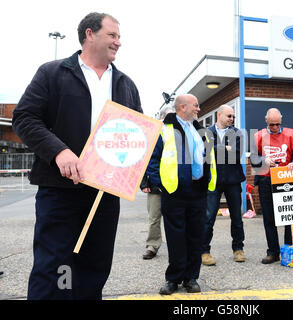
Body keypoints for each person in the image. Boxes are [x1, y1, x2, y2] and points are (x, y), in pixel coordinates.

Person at [12, 12, 142, 300]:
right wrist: (58, 150)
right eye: (112, 35)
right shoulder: (53, 73)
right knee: (55, 267)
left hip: (105, 194)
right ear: (89, 34)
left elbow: (137, 136)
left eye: (119, 37)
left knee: (94, 267)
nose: (118, 42)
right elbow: (25, 118)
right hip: (61, 191)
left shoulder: (125, 84)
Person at [146, 94, 217, 295]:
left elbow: (210, 158)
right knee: (176, 238)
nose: (199, 109)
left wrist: (209, 183)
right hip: (174, 192)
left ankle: (191, 278)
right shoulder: (164, 130)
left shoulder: (201, 130)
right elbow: (153, 160)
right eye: (195, 105)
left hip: (198, 192)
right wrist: (162, 185)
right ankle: (173, 278)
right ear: (182, 107)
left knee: (196, 236)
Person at [250, 108, 293, 264]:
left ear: (281, 120)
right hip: (266, 180)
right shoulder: (258, 136)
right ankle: (273, 252)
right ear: (266, 120)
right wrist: (263, 161)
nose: (275, 127)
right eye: (272, 124)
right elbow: (253, 158)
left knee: (291, 215)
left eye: (277, 124)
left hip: (287, 177)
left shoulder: (291, 134)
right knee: (269, 218)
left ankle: (291, 248)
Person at [201, 105, 246, 266]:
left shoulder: (237, 133)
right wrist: (223, 147)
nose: (231, 119)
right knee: (208, 217)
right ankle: (204, 251)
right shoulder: (206, 133)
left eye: (233, 116)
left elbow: (236, 153)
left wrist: (218, 150)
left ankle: (238, 249)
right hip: (213, 181)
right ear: (219, 115)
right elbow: (204, 153)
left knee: (237, 218)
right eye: (229, 116)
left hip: (233, 181)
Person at [140, 106, 175, 260]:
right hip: (156, 185)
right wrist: (144, 182)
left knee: (174, 218)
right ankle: (152, 246)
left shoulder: (179, 133)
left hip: (174, 184)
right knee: (154, 218)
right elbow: (146, 160)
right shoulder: (156, 133)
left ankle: (176, 246)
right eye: (168, 116)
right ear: (162, 117)